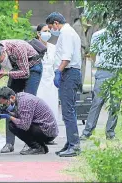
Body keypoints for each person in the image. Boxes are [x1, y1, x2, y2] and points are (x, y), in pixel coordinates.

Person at [0, 39, 43, 153]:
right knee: (8, 103)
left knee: (28, 104)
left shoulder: (18, 48)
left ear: (4, 52)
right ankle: (9, 143)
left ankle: (32, 143)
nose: (0, 63)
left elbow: (25, 72)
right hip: (16, 69)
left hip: (32, 69)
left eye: (0, 60)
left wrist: (6, 73)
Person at [46, 12, 82, 157]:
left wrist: (58, 72)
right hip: (70, 73)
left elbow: (66, 57)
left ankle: (74, 145)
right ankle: (70, 142)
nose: (51, 30)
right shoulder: (68, 32)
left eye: (50, 27)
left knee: (68, 111)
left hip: (69, 72)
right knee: (68, 110)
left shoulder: (66, 33)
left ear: (56, 23)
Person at [80, 28, 121, 140]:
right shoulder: (98, 35)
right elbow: (93, 54)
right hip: (103, 70)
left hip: (118, 71)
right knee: (97, 102)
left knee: (115, 104)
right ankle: (87, 131)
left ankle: (110, 132)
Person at [0, 86, 59, 155]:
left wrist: (8, 116)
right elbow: (21, 115)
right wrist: (6, 112)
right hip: (44, 127)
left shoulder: (24, 102)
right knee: (14, 123)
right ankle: (41, 147)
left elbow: (24, 125)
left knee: (13, 125)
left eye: (5, 104)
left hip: (47, 131)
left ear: (12, 97)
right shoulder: (19, 97)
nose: (4, 106)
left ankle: (36, 147)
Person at [35, 23, 59, 121]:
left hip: (51, 79)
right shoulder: (33, 47)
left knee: (52, 103)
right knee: (40, 102)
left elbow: (56, 64)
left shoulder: (53, 47)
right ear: (38, 33)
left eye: (49, 31)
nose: (47, 33)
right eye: (45, 31)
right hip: (39, 79)